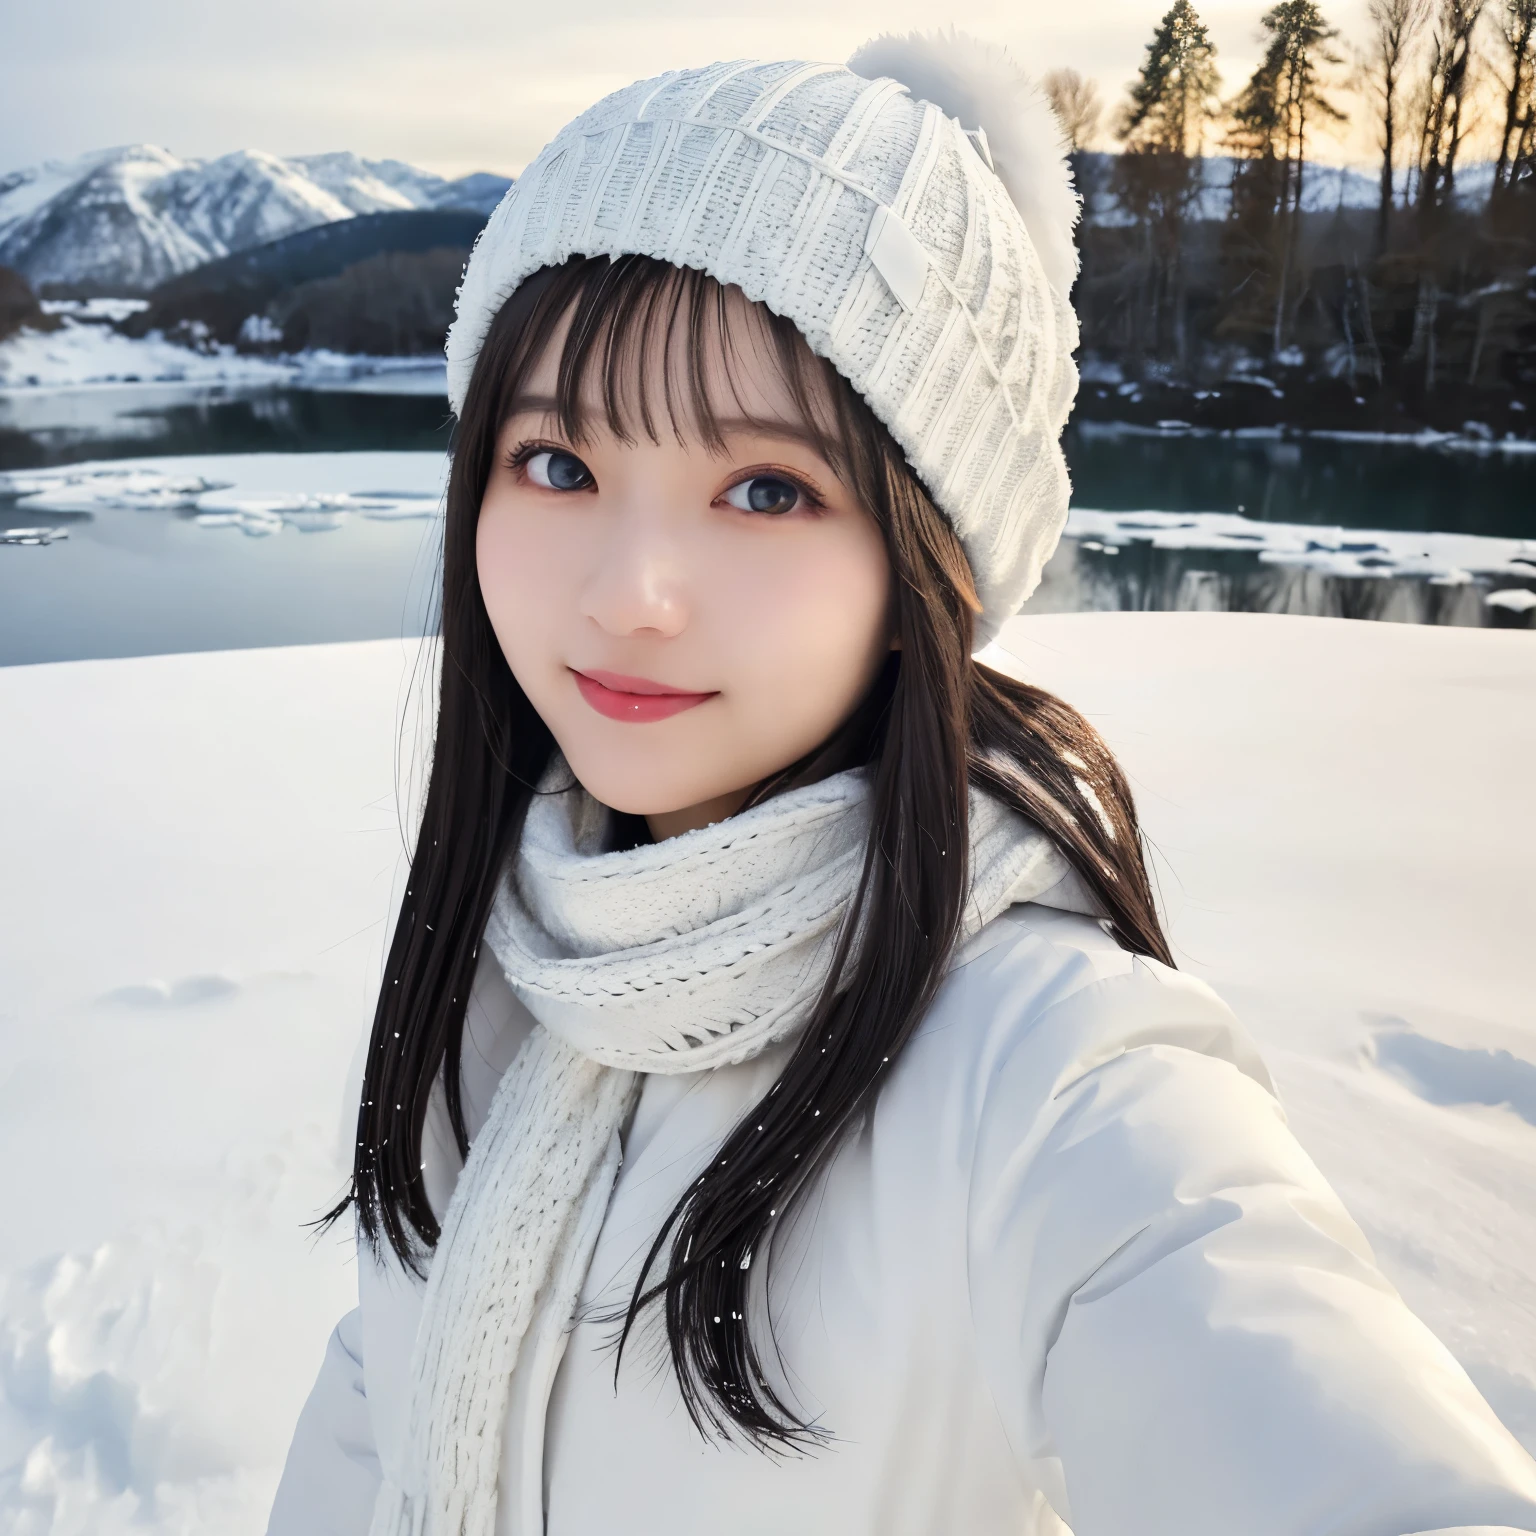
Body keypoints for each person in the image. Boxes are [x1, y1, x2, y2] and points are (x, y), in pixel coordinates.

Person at [267, 35, 1536, 1536]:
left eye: (764, 490)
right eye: (558, 463)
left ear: (921, 563)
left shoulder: (1040, 1068)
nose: (632, 592)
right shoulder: (522, 951)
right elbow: (388, 1389)